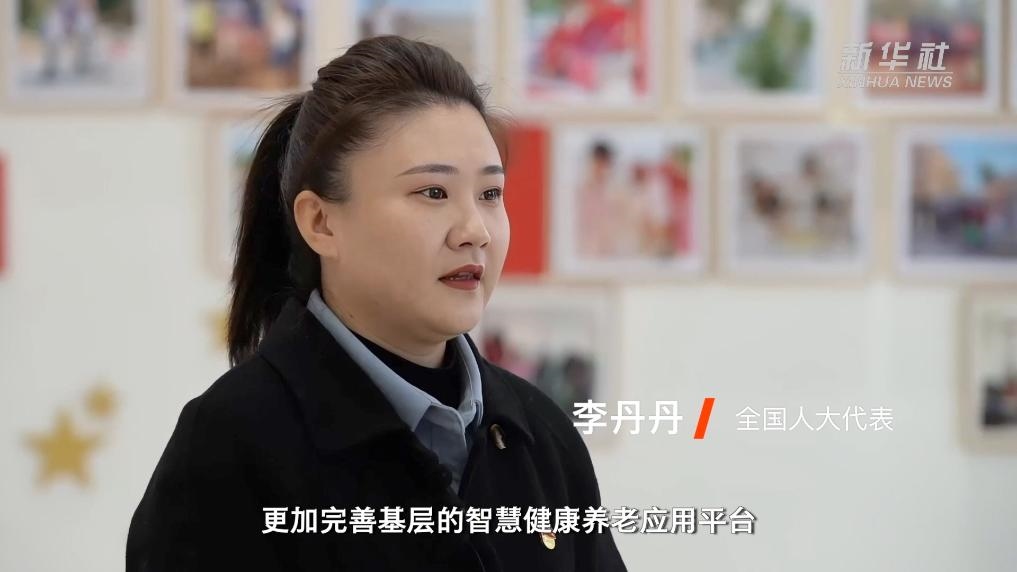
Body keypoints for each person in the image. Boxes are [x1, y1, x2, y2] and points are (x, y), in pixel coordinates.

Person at [126, 35, 627, 572]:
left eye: (490, 194)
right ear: (321, 222)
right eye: (433, 192)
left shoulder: (542, 434)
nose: (475, 231)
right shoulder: (230, 445)